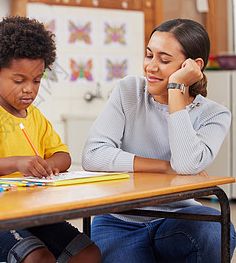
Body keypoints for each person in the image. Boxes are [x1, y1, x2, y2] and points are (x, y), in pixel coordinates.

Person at [82, 18, 236, 262]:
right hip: (119, 219)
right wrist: (165, 166)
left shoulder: (214, 114)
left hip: (178, 217)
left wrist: (176, 89)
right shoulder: (129, 90)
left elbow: (186, 164)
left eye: (164, 60)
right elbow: (93, 155)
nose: (151, 67)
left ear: (192, 66)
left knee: (216, 230)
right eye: (148, 55)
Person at [0, 16, 101, 263]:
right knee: (38, 259)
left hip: (30, 212)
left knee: (88, 254)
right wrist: (19, 163)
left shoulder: (35, 116)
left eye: (36, 80)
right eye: (18, 80)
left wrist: (49, 165)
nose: (29, 89)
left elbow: (63, 156)